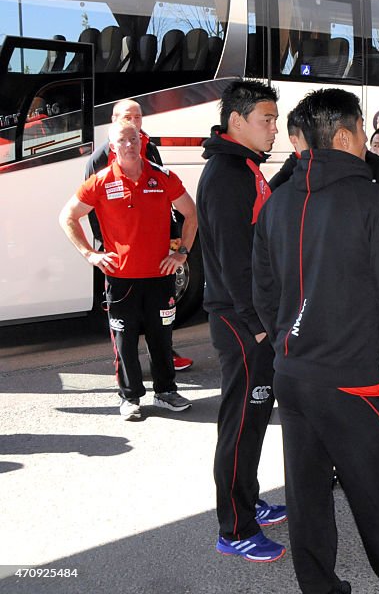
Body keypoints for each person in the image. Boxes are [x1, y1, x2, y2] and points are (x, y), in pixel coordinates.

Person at [252, 87, 379, 594]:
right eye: (362, 130)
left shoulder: (277, 202)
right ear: (344, 135)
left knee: (307, 495)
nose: (367, 140)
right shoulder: (375, 201)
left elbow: (262, 290)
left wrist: (286, 337)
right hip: (353, 382)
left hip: (292, 375)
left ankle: (320, 588)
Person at [198, 80, 287, 563]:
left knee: (254, 420)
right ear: (237, 120)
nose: (274, 128)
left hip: (249, 316)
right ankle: (233, 529)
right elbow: (235, 261)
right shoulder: (228, 175)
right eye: (266, 119)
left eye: (275, 119)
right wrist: (257, 322)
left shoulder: (245, 166)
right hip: (240, 319)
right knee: (239, 423)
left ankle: (249, 498)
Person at [58, 118, 196, 420]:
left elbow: (191, 213)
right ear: (112, 146)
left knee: (162, 339)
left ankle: (166, 392)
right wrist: (90, 254)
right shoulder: (101, 181)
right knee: (125, 341)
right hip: (121, 280)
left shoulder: (162, 176)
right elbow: (67, 217)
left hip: (161, 278)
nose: (129, 145)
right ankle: (130, 397)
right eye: (122, 140)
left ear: (142, 142)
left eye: (134, 139)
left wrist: (182, 253)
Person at [84, 99, 194, 372]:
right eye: (127, 116)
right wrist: (99, 250)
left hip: (156, 252)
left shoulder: (151, 148)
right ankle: (126, 371)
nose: (133, 121)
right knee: (123, 318)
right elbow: (90, 207)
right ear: (113, 120)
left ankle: (166, 356)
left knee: (160, 312)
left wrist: (176, 243)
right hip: (118, 255)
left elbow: (164, 197)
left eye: (138, 116)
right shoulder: (99, 158)